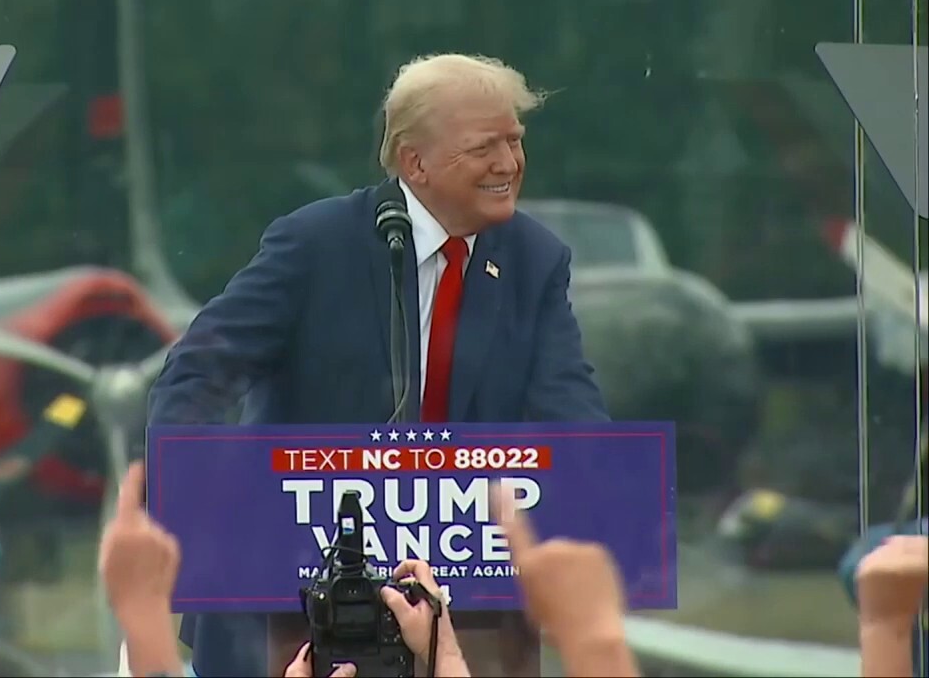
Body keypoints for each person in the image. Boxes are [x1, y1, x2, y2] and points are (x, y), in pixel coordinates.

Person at [147, 52, 610, 676]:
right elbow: (197, 372)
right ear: (414, 162)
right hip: (291, 598)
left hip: (460, 601)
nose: (508, 164)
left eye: (515, 141)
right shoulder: (315, 244)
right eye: (483, 148)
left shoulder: (535, 260)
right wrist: (201, 496)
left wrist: (599, 494)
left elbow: (570, 409)